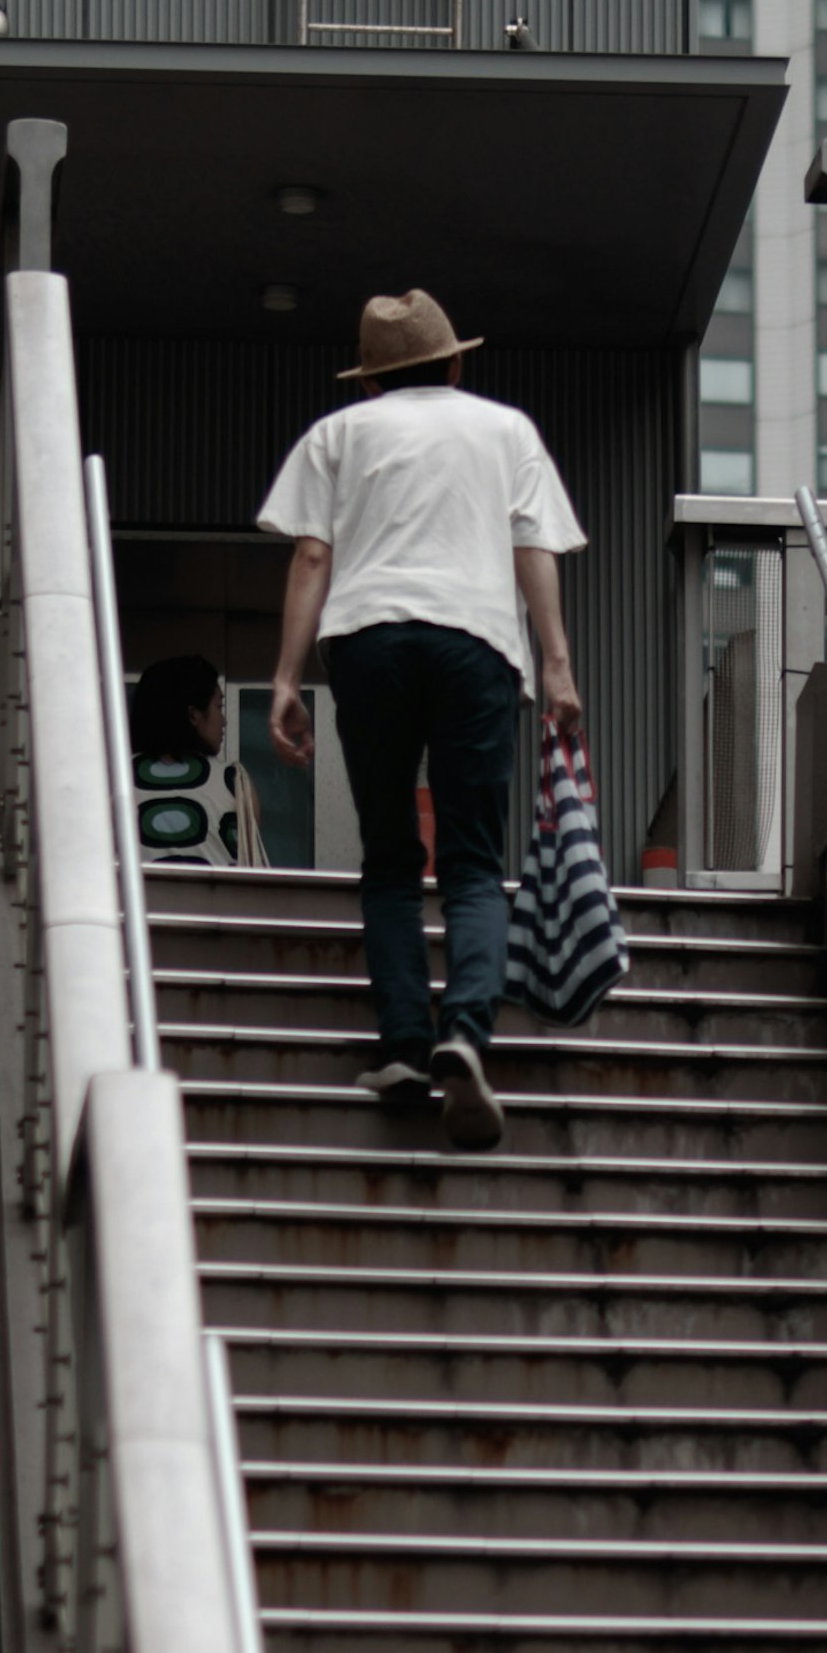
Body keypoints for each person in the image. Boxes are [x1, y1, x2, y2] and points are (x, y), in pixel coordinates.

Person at [260, 289, 585, 1148]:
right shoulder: (505, 428)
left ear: (370, 381)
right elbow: (532, 546)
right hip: (477, 642)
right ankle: (466, 1035)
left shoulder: (338, 434)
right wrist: (556, 665)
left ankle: (405, 1044)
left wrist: (286, 678)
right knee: (474, 860)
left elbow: (311, 554)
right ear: (455, 362)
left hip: (368, 643)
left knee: (391, 857)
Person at [126, 648, 265, 870]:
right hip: (218, 904)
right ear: (193, 715)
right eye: (218, 707)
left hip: (135, 904)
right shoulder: (233, 781)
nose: (224, 721)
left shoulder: (114, 779)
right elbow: (250, 870)